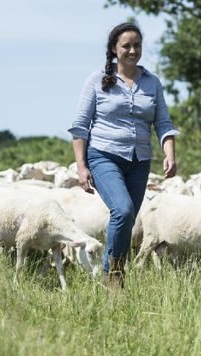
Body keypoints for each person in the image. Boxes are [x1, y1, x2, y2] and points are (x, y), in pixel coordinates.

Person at [69, 22, 179, 289]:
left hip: (139, 161)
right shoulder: (97, 80)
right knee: (123, 209)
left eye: (137, 45)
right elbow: (80, 126)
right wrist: (81, 166)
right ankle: (113, 275)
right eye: (126, 46)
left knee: (128, 220)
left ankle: (115, 273)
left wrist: (170, 154)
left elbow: (163, 123)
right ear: (114, 49)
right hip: (104, 156)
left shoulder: (152, 83)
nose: (132, 50)